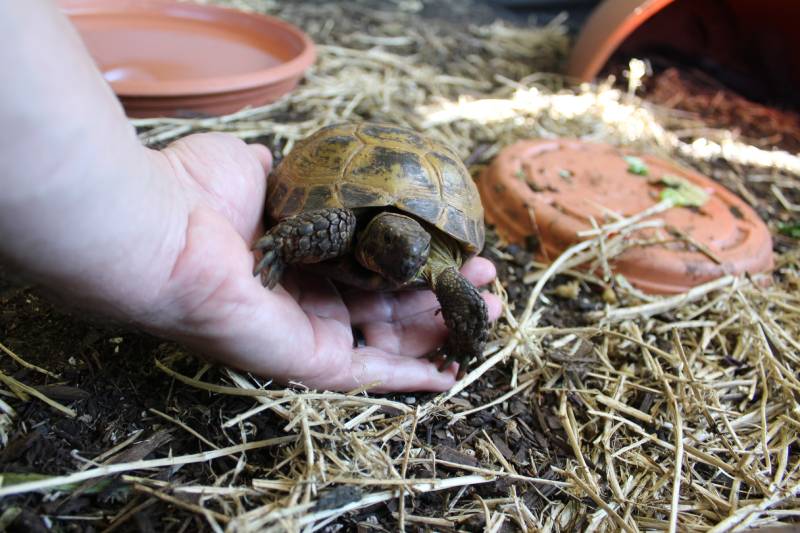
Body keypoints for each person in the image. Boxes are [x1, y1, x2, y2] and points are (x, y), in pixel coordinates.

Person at [0, 2, 501, 392]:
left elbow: (454, 290)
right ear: (373, 243)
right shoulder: (344, 226)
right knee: (330, 230)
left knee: (465, 295)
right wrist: (281, 246)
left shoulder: (432, 260)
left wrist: (462, 338)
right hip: (347, 202)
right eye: (395, 253)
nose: (407, 265)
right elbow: (317, 227)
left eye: (413, 257)